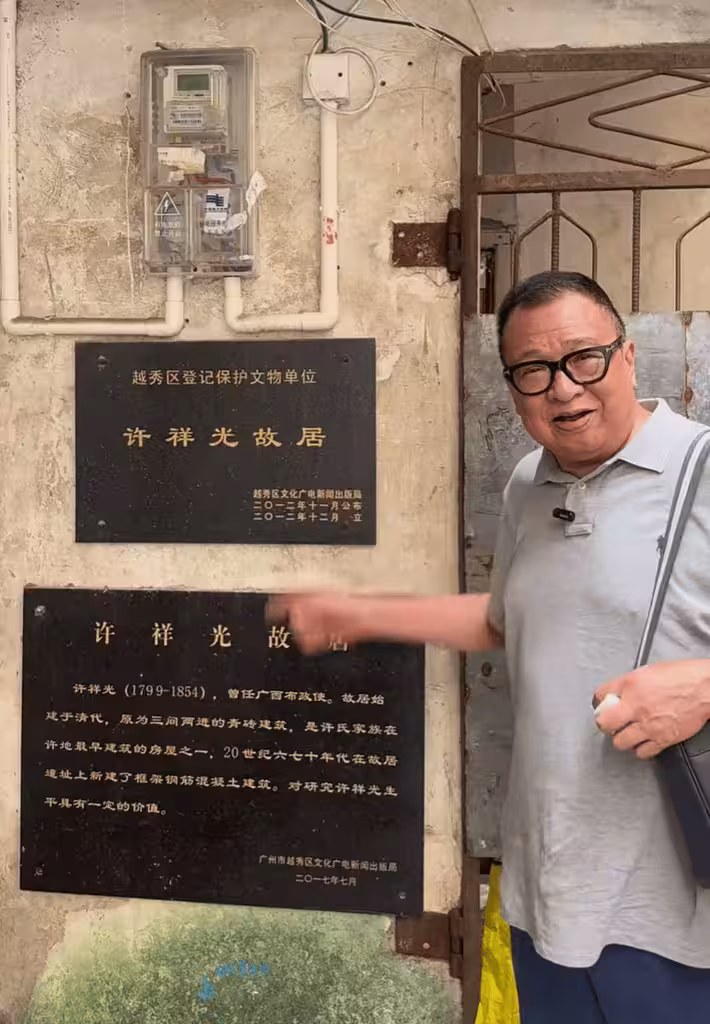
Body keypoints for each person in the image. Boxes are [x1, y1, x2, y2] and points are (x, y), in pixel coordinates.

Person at [267, 271, 710, 1023]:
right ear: (511, 388)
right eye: (533, 370)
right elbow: (507, 621)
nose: (563, 389)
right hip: (547, 897)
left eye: (585, 358)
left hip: (675, 919)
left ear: (629, 355)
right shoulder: (528, 486)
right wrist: (361, 614)